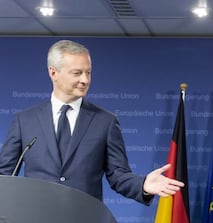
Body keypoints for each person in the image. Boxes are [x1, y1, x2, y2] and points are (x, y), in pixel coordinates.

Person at [0, 39, 183, 204]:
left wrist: (143, 184)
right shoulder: (25, 121)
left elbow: (118, 175)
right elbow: (4, 175)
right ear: (53, 72)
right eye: (77, 73)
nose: (85, 80)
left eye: (88, 72)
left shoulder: (105, 121)